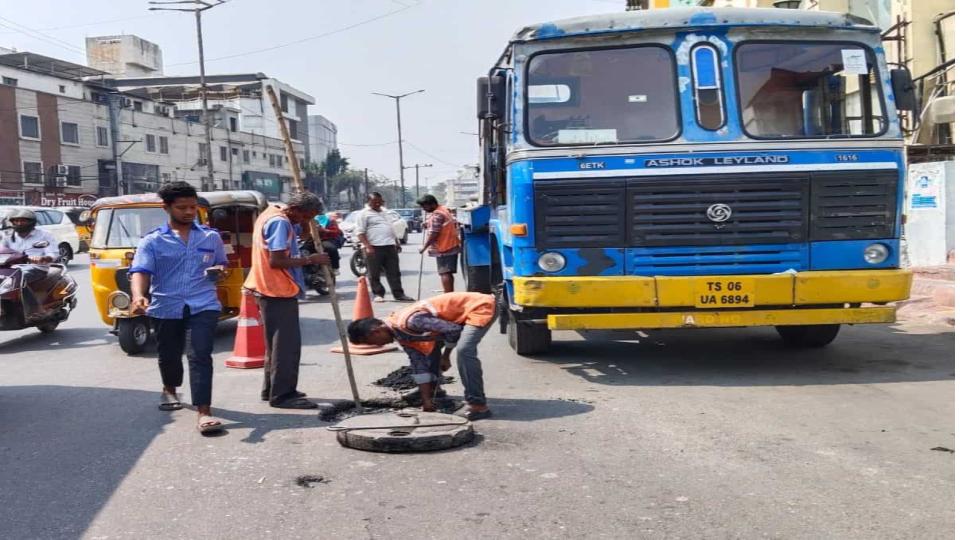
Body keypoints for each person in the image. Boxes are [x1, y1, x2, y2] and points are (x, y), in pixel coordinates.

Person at [128, 182, 228, 434]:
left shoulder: (210, 237)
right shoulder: (151, 241)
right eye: (182, 207)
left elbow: (222, 265)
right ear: (167, 208)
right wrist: (139, 295)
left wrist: (220, 272)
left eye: (193, 207)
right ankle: (170, 389)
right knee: (169, 353)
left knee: (200, 354)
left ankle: (204, 412)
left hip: (203, 303)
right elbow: (140, 271)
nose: (188, 212)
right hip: (166, 304)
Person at [347, 292, 496, 420]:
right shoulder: (400, 335)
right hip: (457, 319)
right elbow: (418, 363)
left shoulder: (411, 322)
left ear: (376, 331)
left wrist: (446, 355)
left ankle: (478, 405)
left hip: (478, 307)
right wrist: (426, 400)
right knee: (429, 350)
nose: (378, 346)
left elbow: (454, 330)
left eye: (371, 342)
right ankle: (433, 391)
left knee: (464, 351)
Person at [244, 191, 329, 409]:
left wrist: (310, 227)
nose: (305, 221)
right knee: (286, 346)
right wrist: (311, 259)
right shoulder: (279, 222)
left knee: (275, 345)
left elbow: (301, 234)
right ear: (294, 210)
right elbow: (277, 260)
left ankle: (272, 389)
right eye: (305, 216)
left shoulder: (272, 214)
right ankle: (283, 395)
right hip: (276, 289)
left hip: (268, 288)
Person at [356, 192, 414, 303]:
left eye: (379, 201)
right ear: (368, 202)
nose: (377, 204)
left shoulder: (386, 212)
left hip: (389, 245)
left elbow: (390, 228)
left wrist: (396, 242)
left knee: (394, 272)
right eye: (374, 202)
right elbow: (360, 232)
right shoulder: (363, 214)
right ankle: (378, 294)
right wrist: (368, 246)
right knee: (374, 273)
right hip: (373, 247)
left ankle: (399, 294)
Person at [416, 194, 461, 293]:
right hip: (451, 244)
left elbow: (434, 234)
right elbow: (441, 225)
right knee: (448, 272)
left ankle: (448, 296)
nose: (423, 209)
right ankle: (449, 294)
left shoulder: (437, 214)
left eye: (424, 206)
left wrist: (424, 247)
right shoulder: (443, 209)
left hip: (444, 246)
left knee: (444, 273)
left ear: (432, 204)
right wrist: (427, 224)